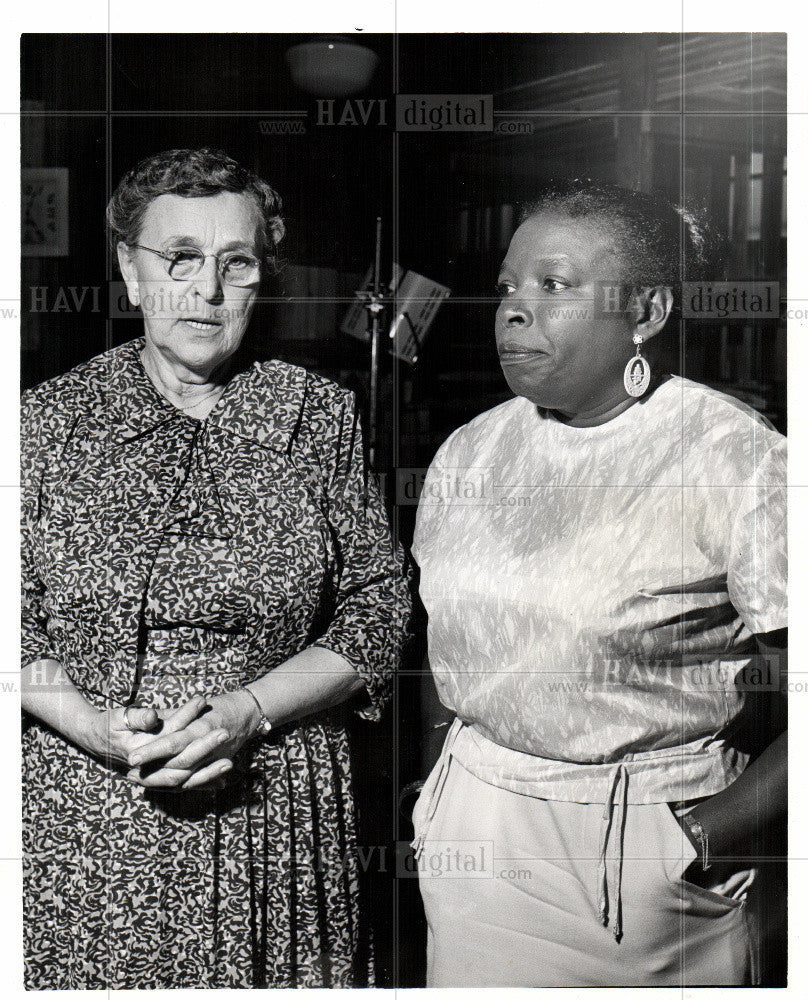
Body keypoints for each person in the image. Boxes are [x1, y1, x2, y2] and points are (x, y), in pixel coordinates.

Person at [21, 147, 410, 989]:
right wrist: (97, 728)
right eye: (180, 259)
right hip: (89, 812)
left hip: (276, 801)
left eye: (236, 264)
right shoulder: (44, 424)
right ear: (130, 271)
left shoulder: (315, 414)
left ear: (261, 279)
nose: (206, 292)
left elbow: (377, 608)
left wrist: (246, 712)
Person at [410, 180, 786, 987]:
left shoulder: (733, 456)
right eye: (509, 287)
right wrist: (443, 784)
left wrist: (710, 835)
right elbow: (442, 644)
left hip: (647, 861)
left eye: (554, 287)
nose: (514, 310)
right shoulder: (471, 452)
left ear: (645, 313)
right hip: (476, 843)